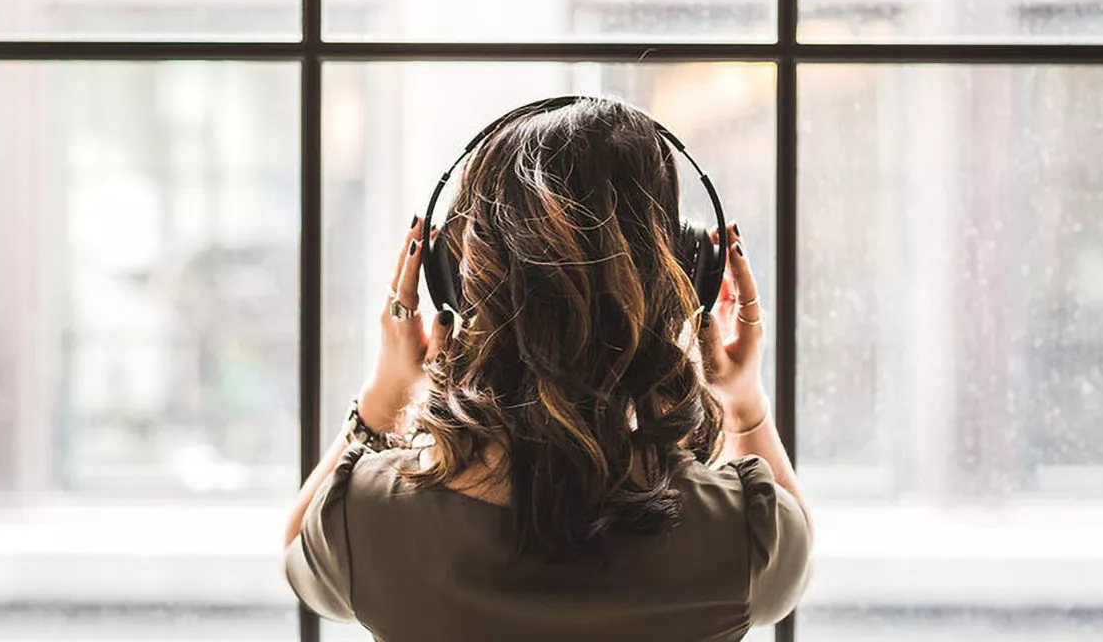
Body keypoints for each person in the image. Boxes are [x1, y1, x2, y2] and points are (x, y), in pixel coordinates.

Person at [283, 96, 812, 641]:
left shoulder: (368, 519)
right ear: (687, 275)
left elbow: (300, 552)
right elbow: (794, 561)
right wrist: (744, 401)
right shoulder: (741, 533)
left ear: (453, 284)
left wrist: (386, 391)